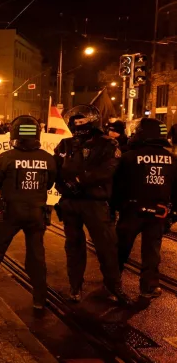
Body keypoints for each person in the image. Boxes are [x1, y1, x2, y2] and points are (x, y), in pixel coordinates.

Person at [0, 116, 56, 309]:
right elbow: (50, 184)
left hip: (11, 213)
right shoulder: (48, 158)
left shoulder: (5, 157)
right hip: (37, 213)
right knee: (36, 256)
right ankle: (40, 298)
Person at [53, 105, 129, 304]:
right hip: (70, 203)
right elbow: (56, 170)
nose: (78, 125)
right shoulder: (65, 144)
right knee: (74, 247)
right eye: (75, 122)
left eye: (82, 122)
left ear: (92, 121)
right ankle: (75, 287)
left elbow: (108, 170)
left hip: (96, 203)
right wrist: (64, 187)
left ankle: (114, 287)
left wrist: (79, 181)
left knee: (106, 247)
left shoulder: (108, 144)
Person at [113, 118, 177, 299]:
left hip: (131, 210)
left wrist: (115, 206)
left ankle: (113, 280)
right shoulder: (172, 160)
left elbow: (117, 185)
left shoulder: (129, 158)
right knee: (152, 251)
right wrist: (173, 214)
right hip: (158, 212)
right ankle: (149, 286)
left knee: (121, 249)